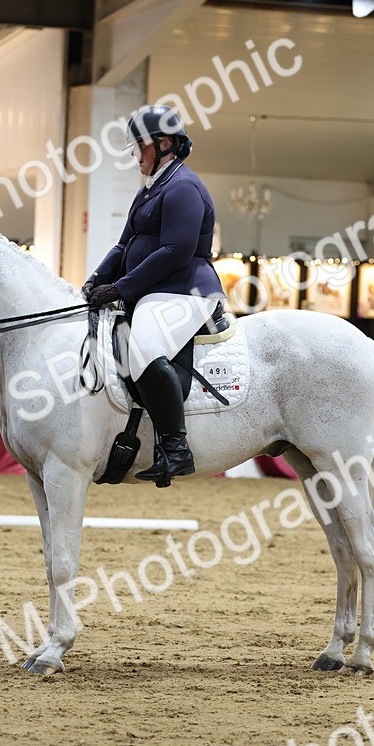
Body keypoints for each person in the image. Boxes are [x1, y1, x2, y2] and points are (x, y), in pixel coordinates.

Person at [83, 104, 226, 486]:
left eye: (138, 147)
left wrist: (121, 288)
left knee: (142, 347)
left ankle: (176, 449)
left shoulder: (184, 187)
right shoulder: (151, 189)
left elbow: (176, 251)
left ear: (163, 144)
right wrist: (96, 279)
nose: (134, 156)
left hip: (186, 290)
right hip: (155, 293)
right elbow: (123, 244)